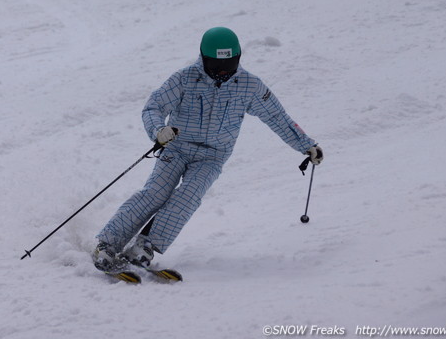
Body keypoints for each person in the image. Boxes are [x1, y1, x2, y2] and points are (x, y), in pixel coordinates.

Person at [93, 27, 323, 270]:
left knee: (188, 197)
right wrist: (158, 131)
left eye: (229, 64)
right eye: (215, 65)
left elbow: (277, 117)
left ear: (239, 58)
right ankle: (107, 244)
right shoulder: (185, 78)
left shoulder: (249, 85)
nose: (222, 72)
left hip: (212, 157)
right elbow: (154, 107)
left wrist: (306, 145)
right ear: (203, 58)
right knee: (156, 193)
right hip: (177, 148)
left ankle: (145, 246)